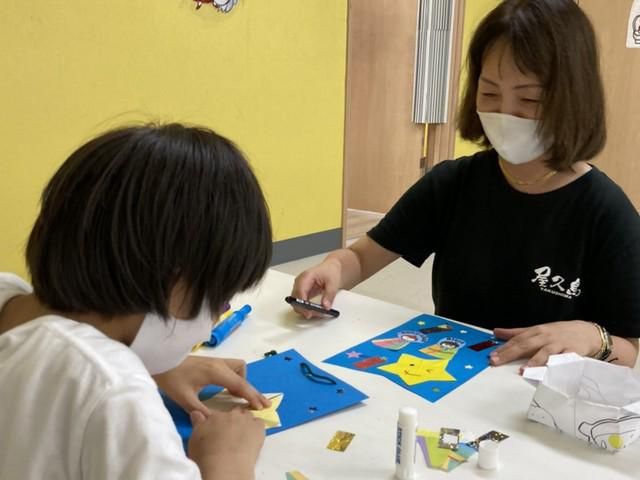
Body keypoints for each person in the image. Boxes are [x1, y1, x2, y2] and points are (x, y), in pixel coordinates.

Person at [291, 0, 640, 369]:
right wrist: (333, 268)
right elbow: (361, 258)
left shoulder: (608, 214)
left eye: (529, 98)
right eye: (489, 94)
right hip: (451, 379)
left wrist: (593, 337)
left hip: (538, 397)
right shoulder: (452, 184)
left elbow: (628, 349)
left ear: (572, 98)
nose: (504, 113)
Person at [0, 123, 273, 480]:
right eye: (220, 299)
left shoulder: (10, 297)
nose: (218, 314)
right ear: (174, 280)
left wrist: (148, 361)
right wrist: (228, 460)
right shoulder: (116, 392)